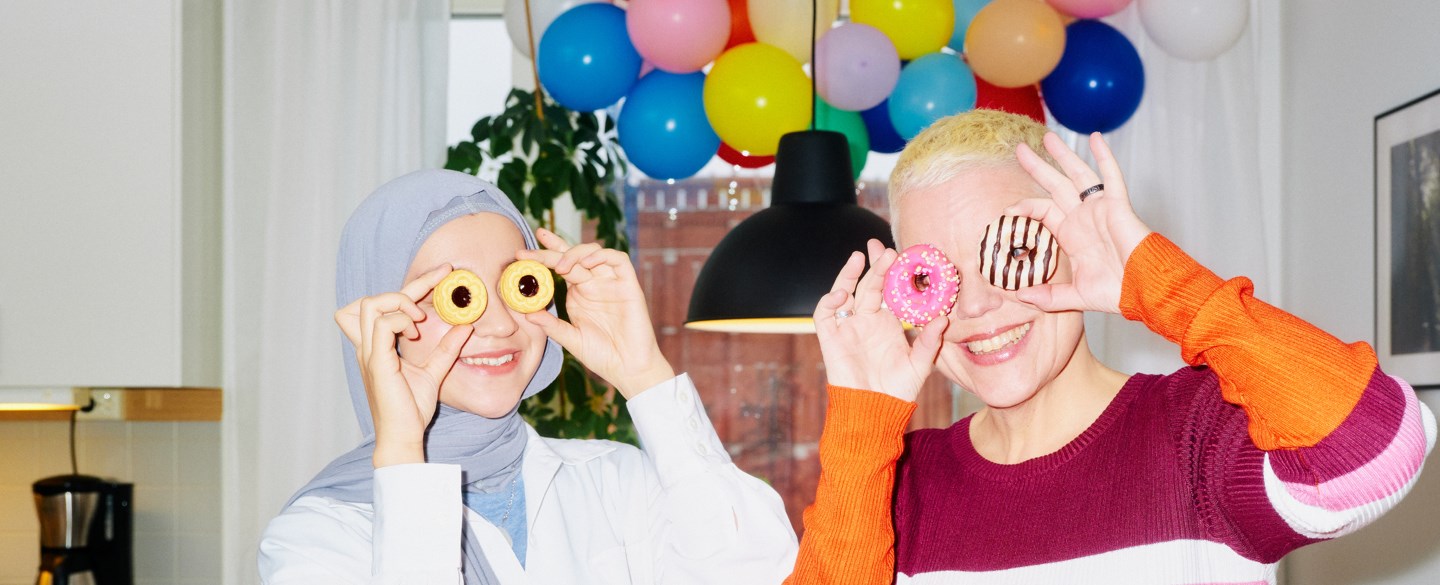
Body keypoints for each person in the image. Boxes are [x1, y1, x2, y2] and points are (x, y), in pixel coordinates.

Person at [785, 110, 1437, 584]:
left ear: (1075, 245)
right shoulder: (898, 479)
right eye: (937, 274)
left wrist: (1160, 283)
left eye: (1012, 254)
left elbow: (1375, 449)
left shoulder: (1199, 434)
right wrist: (862, 416)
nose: (978, 305)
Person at [259, 169, 797, 584]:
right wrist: (401, 447)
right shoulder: (316, 536)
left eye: (518, 285)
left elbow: (759, 571)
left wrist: (645, 375)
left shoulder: (615, 481)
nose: (498, 324)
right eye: (459, 296)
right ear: (381, 318)